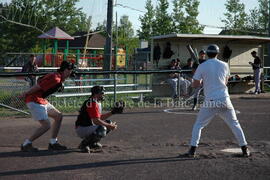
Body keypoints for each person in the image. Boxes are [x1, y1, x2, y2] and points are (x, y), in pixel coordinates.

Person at [184, 44, 250, 157]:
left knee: (199, 125)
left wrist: (202, 80)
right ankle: (245, 149)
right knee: (235, 124)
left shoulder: (202, 66)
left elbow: (195, 85)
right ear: (217, 53)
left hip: (210, 100)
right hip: (224, 99)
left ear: (207, 54)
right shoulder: (224, 65)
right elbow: (225, 82)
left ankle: (192, 150)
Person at [20, 61, 75, 152]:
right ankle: (26, 144)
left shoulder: (58, 77)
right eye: (70, 70)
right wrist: (26, 93)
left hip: (40, 99)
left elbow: (41, 80)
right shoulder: (55, 78)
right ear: (65, 70)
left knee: (58, 116)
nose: (71, 73)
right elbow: (38, 86)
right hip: (34, 99)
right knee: (46, 125)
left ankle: (53, 143)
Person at [75, 86, 123, 153]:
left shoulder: (96, 102)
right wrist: (109, 126)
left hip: (87, 126)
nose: (104, 95)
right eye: (102, 93)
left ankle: (92, 143)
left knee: (108, 122)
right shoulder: (92, 103)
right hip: (82, 128)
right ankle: (84, 145)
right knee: (103, 127)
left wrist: (112, 112)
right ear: (96, 94)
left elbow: (98, 118)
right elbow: (96, 121)